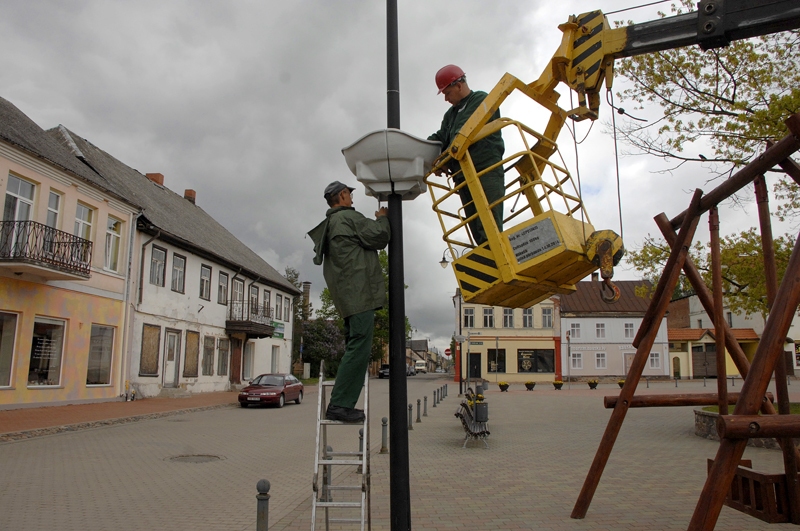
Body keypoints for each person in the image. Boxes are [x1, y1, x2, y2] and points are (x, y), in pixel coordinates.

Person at [308, 181, 390, 423]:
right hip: (359, 294)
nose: (352, 198)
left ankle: (340, 403)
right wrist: (383, 217)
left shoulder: (330, 223)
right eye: (349, 194)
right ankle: (340, 404)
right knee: (359, 347)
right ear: (342, 196)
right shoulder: (348, 218)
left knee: (355, 345)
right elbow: (380, 237)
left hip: (347, 297)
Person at [428, 64, 505, 246]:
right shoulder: (450, 115)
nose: (446, 99)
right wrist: (422, 149)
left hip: (485, 170)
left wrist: (442, 160)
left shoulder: (480, 100)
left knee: (489, 227)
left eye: (447, 93)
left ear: (459, 85)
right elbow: (441, 137)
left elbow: (461, 134)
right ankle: (489, 265)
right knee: (475, 226)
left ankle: (495, 260)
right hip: (463, 175)